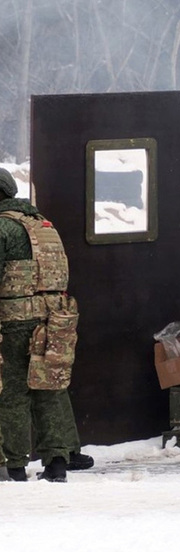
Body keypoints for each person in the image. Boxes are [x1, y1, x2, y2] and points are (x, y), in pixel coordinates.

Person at [0, 168, 91, 482]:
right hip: (53, 322)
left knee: (11, 393)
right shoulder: (44, 226)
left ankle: (14, 466)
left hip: (14, 322)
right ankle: (57, 463)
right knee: (48, 390)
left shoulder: (2, 229)